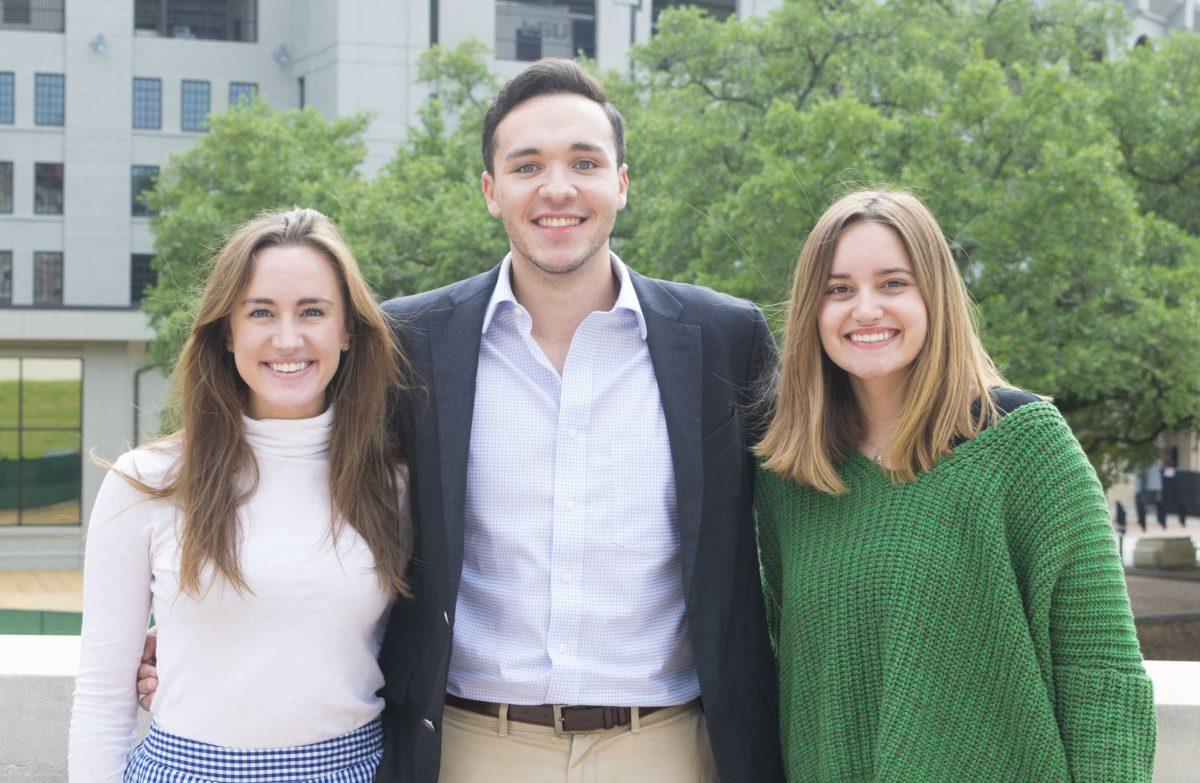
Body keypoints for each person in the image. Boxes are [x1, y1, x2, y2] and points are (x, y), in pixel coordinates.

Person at [136, 60, 783, 782]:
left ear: (622, 183)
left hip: (668, 745)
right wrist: (204, 628)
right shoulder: (412, 342)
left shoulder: (724, 337)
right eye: (527, 164)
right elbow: (311, 471)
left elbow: (802, 510)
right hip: (470, 747)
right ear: (490, 190)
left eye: (585, 162)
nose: (558, 188)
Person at [754, 189, 1157, 781]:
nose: (865, 309)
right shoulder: (789, 477)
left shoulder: (1025, 447)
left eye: (893, 283)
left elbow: (1103, 674)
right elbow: (777, 673)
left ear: (935, 296)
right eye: (839, 290)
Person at [69, 209, 413, 783]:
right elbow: (103, 694)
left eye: (312, 312)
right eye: (260, 312)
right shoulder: (146, 482)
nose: (287, 338)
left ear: (347, 329)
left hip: (354, 769)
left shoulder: (394, 482)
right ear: (227, 331)